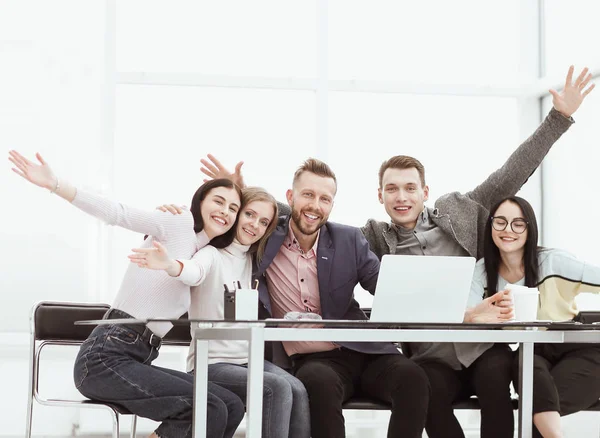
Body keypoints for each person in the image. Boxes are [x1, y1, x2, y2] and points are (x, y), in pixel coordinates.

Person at [198, 65, 595, 438]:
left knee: (489, 387)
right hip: (428, 356)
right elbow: (296, 215)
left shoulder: (462, 211)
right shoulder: (371, 237)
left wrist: (557, 119)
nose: (402, 197)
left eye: (410, 188)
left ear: (425, 191)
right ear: (380, 196)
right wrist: (243, 191)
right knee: (425, 397)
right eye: (392, 189)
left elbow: (510, 174)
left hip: (478, 346)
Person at [8, 150, 245, 438]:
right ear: (200, 201)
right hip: (104, 357)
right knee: (209, 407)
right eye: (218, 201)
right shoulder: (178, 222)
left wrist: (242, 187)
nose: (225, 211)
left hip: (139, 356)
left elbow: (271, 223)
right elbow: (117, 213)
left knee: (230, 404)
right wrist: (56, 184)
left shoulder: (207, 256)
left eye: (233, 208)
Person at [130, 187, 311, 438]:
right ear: (236, 215)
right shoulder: (211, 254)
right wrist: (170, 265)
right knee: (275, 387)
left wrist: (242, 184)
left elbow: (291, 217)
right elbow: (194, 271)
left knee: (298, 389)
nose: (254, 225)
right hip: (211, 363)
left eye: (263, 222)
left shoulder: (253, 260)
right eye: (249, 214)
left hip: (247, 361)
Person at [471, 196, 600, 438]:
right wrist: (480, 314)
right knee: (523, 364)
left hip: (579, 350)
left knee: (535, 411)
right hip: (533, 352)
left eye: (518, 224)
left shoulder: (553, 262)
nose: (508, 230)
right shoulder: (482, 271)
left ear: (530, 229)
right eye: (500, 222)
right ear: (490, 227)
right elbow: (464, 315)